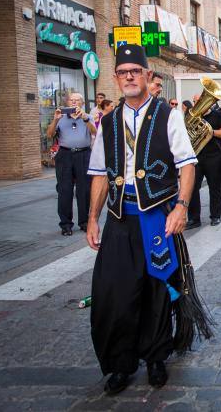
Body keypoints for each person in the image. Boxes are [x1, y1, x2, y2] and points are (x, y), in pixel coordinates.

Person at [85, 44, 197, 395]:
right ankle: (120, 363)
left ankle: (155, 357)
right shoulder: (107, 121)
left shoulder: (168, 115)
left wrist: (181, 206)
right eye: (123, 72)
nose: (130, 77)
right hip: (120, 217)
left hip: (156, 217)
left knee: (156, 292)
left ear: (148, 76)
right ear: (117, 79)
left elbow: (187, 164)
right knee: (114, 294)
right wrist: (91, 218)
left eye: (136, 70)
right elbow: (100, 174)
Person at [46, 92, 97, 236]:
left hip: (84, 154)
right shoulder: (60, 117)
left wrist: (85, 119)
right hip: (65, 155)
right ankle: (66, 224)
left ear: (82, 103)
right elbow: (49, 134)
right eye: (71, 100)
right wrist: (55, 120)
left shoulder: (88, 116)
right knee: (64, 190)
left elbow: (95, 132)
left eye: (77, 100)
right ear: (67, 102)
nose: (74, 103)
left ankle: (84, 222)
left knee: (84, 190)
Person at [186, 94, 221, 229]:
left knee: (214, 187)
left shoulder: (218, 115)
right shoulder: (190, 116)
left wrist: (210, 132)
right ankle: (194, 219)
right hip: (196, 156)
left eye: (199, 102)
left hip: (214, 156)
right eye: (195, 102)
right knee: (192, 188)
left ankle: (215, 216)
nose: (196, 105)